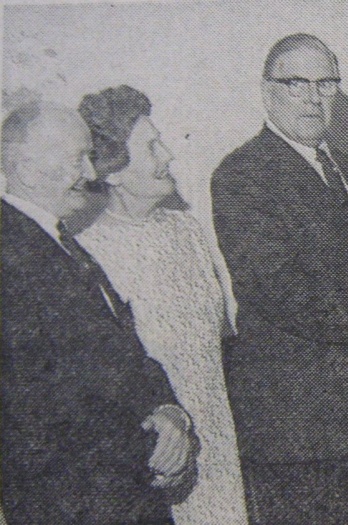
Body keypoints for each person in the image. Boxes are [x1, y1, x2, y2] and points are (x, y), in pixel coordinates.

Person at [211, 34, 348, 523]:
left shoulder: (343, 167)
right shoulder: (243, 174)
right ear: (267, 92)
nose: (313, 97)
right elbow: (284, 294)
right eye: (297, 83)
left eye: (326, 83)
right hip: (301, 430)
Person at [1, 102, 199, 524]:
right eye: (79, 159)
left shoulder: (61, 243)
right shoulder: (9, 255)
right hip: (80, 506)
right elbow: (33, 411)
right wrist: (149, 451)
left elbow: (123, 354)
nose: (91, 173)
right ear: (28, 169)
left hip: (119, 498)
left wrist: (169, 413)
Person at [74, 85, 249, 525]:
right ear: (113, 169)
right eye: (151, 147)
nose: (168, 155)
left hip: (221, 445)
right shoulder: (90, 253)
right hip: (160, 458)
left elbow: (222, 344)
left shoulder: (187, 230)